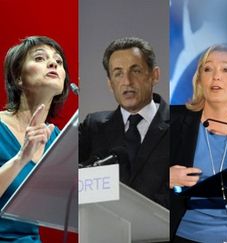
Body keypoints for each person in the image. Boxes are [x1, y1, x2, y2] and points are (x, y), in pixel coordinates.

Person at [170, 45, 227, 242]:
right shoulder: (173, 120)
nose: (216, 76)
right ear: (200, 80)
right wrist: (166, 177)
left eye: (226, 69)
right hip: (183, 235)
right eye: (207, 69)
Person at [79, 37, 170, 208]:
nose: (127, 81)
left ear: (154, 75)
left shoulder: (180, 125)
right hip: (108, 230)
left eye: (135, 71)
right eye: (118, 73)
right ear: (110, 83)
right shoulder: (93, 127)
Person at [0, 36, 70, 242]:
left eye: (58, 61)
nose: (53, 63)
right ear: (18, 77)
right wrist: (21, 158)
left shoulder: (58, 139)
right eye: (40, 58)